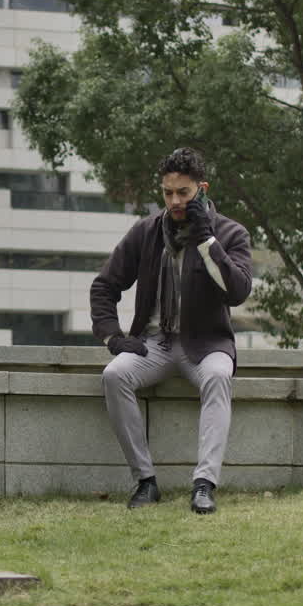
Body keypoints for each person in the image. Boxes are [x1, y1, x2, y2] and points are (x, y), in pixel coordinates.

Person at [90, 147, 253, 514]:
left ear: (202, 189)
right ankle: (145, 481)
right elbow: (104, 286)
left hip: (208, 343)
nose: (175, 201)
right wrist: (113, 336)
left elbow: (238, 291)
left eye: (183, 192)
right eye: (168, 193)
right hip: (155, 343)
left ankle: (204, 485)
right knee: (114, 376)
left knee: (217, 378)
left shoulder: (230, 233)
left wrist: (206, 240)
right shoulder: (146, 232)